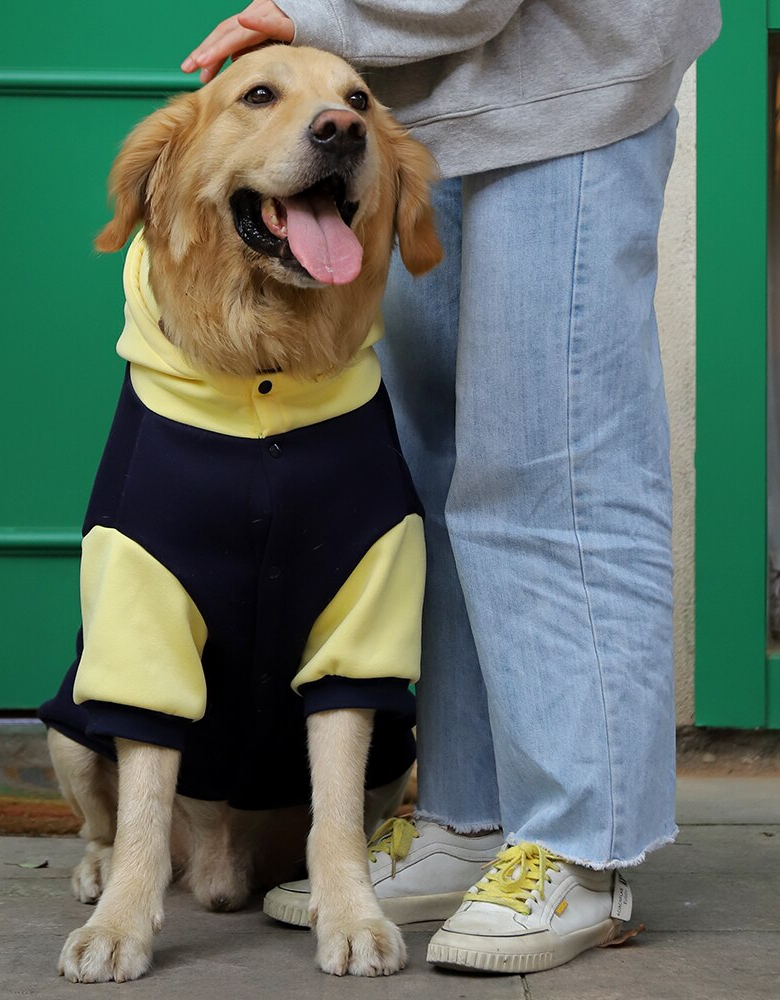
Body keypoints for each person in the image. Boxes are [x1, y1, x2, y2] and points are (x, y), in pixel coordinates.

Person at [181, 0, 722, 974]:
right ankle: (468, 818)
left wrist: (309, 15)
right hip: (428, 98)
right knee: (436, 473)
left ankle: (580, 846)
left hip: (567, 75)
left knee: (552, 467)